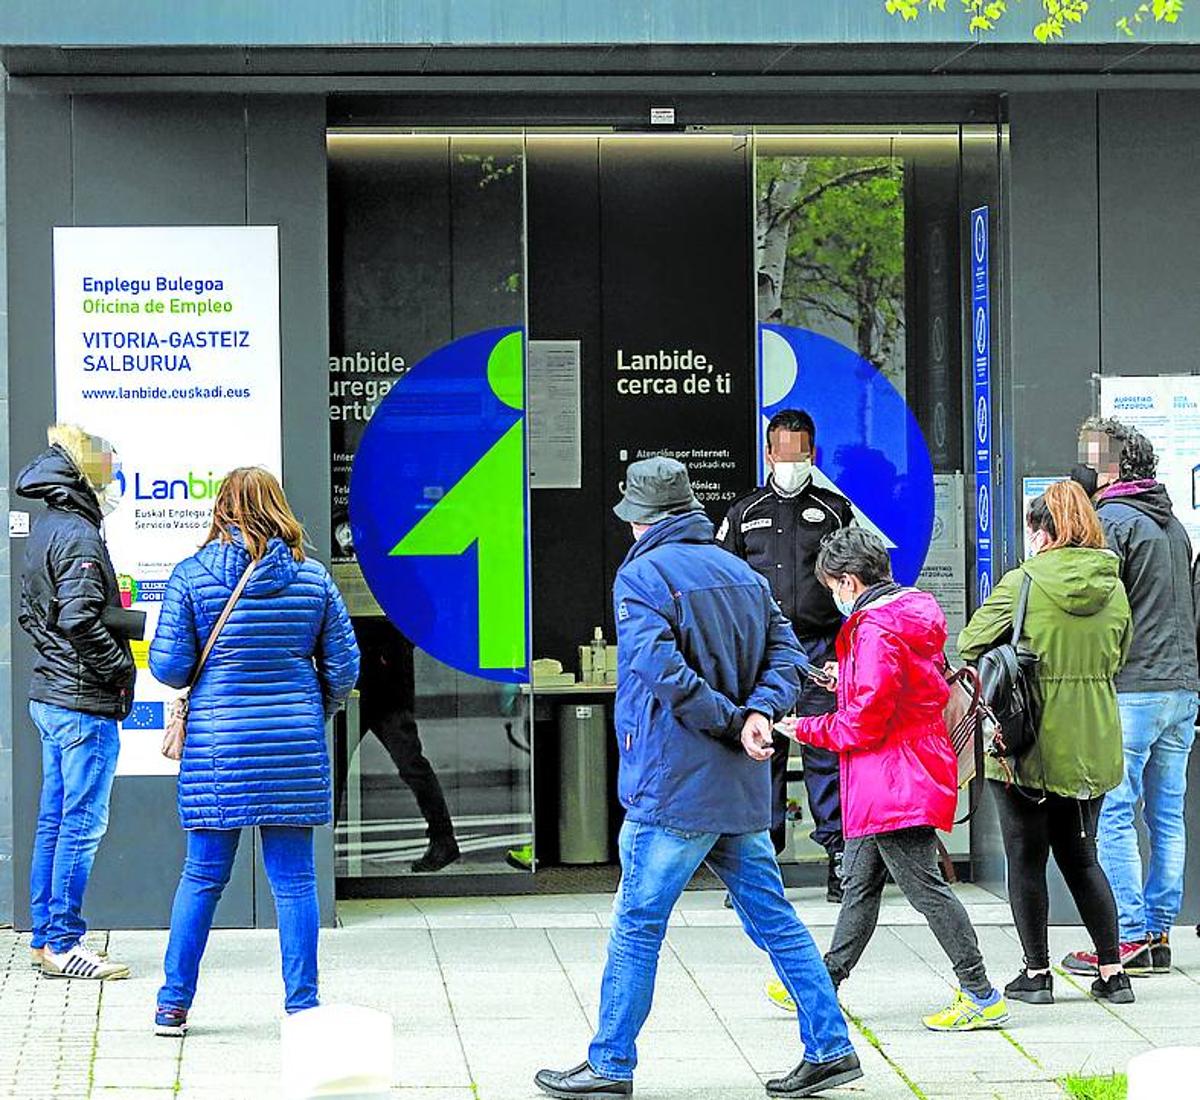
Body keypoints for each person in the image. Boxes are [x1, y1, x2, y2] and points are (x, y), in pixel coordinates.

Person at [534, 457, 860, 1100]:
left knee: (637, 922)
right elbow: (789, 654)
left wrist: (734, 719)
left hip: (673, 782)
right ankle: (830, 1047)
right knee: (777, 921)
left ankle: (609, 1065)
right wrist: (759, 713)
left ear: (644, 520)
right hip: (736, 786)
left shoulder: (642, 576)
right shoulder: (741, 571)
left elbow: (662, 674)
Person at [149, 467, 359, 1036]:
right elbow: (344, 668)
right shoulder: (313, 579)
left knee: (201, 878)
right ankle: (302, 1006)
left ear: (222, 509)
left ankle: (173, 1004)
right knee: (293, 882)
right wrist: (317, 709)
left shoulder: (191, 577)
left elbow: (168, 667)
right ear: (279, 509)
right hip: (292, 742)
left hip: (219, 748)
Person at [779, 527, 1008, 1032]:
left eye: (832, 585)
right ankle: (822, 981)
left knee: (927, 891)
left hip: (892, 781)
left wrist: (806, 728)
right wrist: (846, 678)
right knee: (860, 885)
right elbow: (906, 686)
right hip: (896, 773)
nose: (831, 595)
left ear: (850, 582)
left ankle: (980, 992)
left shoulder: (874, 629)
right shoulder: (908, 613)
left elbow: (865, 720)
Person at [960, 481, 1134, 1005]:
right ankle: (1112, 973)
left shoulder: (1024, 582)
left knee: (1026, 858)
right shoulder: (1114, 584)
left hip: (1026, 741)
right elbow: (1119, 656)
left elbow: (971, 640)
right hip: (1093, 739)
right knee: (1083, 858)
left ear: (1041, 531)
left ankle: (1036, 975)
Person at [1062, 418, 1198, 978]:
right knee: (1167, 813)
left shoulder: (1111, 521)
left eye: (1089, 459)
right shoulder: (1176, 528)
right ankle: (1160, 932)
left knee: (1115, 813)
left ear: (1110, 466)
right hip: (1182, 687)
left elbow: (1091, 599)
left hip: (1134, 688)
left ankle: (1132, 934)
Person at [718, 408, 852, 907]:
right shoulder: (743, 512)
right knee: (760, 758)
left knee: (826, 756)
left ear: (811, 455)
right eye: (783, 453)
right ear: (769, 454)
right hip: (761, 655)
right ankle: (757, 868)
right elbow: (723, 585)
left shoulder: (836, 510)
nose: (791, 462)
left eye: (800, 454)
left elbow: (856, 580)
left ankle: (840, 861)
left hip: (820, 650)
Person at [16, 425, 135, 981]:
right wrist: (118, 668)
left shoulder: (47, 529)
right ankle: (64, 942)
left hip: (53, 694)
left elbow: (32, 616)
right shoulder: (82, 535)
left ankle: (46, 937)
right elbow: (79, 618)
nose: (115, 479)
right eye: (109, 469)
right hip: (82, 702)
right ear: (88, 475)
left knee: (55, 820)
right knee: (81, 824)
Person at [338, 617, 460, 874]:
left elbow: (420, 616)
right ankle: (443, 838)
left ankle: (443, 838)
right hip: (365, 680)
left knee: (410, 764)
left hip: (383, 683)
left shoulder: (390, 582)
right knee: (409, 764)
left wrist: (394, 651)